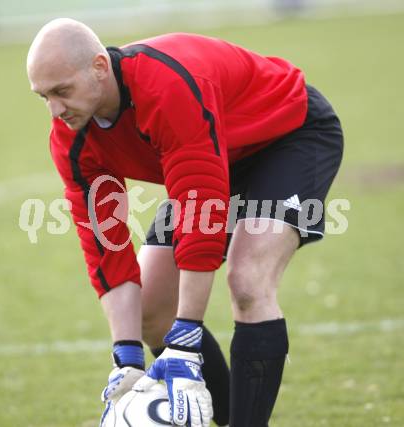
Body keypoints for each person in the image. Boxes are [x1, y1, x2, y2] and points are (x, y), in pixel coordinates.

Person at [27, 18, 343, 427]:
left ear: (100, 68)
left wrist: (187, 336)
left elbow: (202, 212)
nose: (54, 109)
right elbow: (106, 246)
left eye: (62, 91)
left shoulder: (165, 86)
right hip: (221, 152)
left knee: (248, 280)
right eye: (43, 96)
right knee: (152, 309)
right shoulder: (70, 136)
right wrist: (125, 356)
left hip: (289, 134)